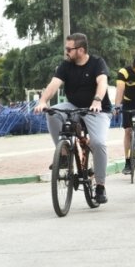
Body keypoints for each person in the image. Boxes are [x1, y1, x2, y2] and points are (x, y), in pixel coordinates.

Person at [34, 33, 111, 204]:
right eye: (66, 49)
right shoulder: (66, 65)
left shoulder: (97, 63)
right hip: (74, 107)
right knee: (52, 112)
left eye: (69, 49)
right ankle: (63, 155)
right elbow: (54, 84)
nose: (66, 52)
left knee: (98, 143)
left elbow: (102, 83)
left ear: (81, 50)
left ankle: (100, 186)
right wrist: (43, 101)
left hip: (97, 110)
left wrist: (97, 100)